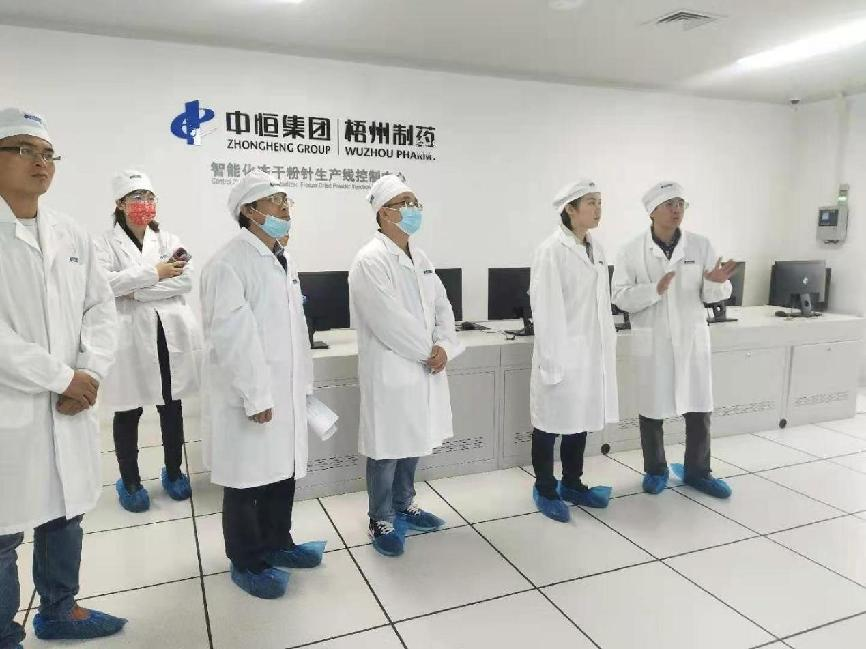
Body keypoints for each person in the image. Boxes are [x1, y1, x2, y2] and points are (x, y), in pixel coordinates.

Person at [0, 107, 126, 647]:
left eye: (48, 153)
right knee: (2, 530)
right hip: (13, 405)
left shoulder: (71, 233)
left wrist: (89, 372)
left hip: (72, 402)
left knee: (65, 512)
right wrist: (60, 378)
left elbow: (101, 308)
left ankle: (58, 610)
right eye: (24, 150)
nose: (41, 162)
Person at [199, 170, 324, 600]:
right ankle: (247, 560)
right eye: (276, 201)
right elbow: (233, 337)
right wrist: (255, 394)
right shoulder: (229, 263)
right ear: (250, 211)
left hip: (283, 391)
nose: (285, 209)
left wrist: (303, 383)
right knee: (246, 479)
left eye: (287, 201)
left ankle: (278, 543)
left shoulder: (281, 259)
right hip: (248, 395)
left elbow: (295, 329)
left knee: (280, 472)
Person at [348, 174, 464, 557]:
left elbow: (442, 306)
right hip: (393, 370)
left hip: (422, 367)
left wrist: (444, 344)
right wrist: (430, 351)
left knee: (412, 439)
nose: (414, 210)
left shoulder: (421, 258)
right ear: (384, 212)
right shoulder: (369, 260)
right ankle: (380, 517)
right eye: (406, 203)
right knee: (386, 448)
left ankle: (404, 504)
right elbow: (388, 321)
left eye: (416, 203)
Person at [612, 181, 737, 499]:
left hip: (691, 339)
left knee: (699, 407)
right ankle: (655, 470)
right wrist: (654, 290)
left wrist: (717, 283)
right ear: (652, 211)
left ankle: (698, 471)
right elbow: (620, 296)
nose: (677, 209)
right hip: (652, 340)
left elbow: (713, 294)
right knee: (651, 408)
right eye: (670, 204)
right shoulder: (630, 250)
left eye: (681, 203)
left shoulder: (701, 246)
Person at [95, 170, 201, 512]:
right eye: (137, 197)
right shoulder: (104, 244)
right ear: (120, 204)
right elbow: (104, 284)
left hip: (167, 334)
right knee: (128, 409)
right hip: (129, 339)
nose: (145, 203)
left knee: (171, 407)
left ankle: (174, 471)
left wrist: (136, 291)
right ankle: (130, 481)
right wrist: (156, 272)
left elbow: (185, 281)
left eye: (149, 197)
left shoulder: (169, 240)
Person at [529, 180, 619, 522]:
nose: (599, 209)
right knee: (549, 424)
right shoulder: (551, 250)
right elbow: (545, 309)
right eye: (591, 202)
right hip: (561, 353)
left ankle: (572, 483)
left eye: (600, 202)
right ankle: (545, 488)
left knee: (578, 420)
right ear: (570, 208)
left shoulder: (597, 249)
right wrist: (552, 361)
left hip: (590, 354)